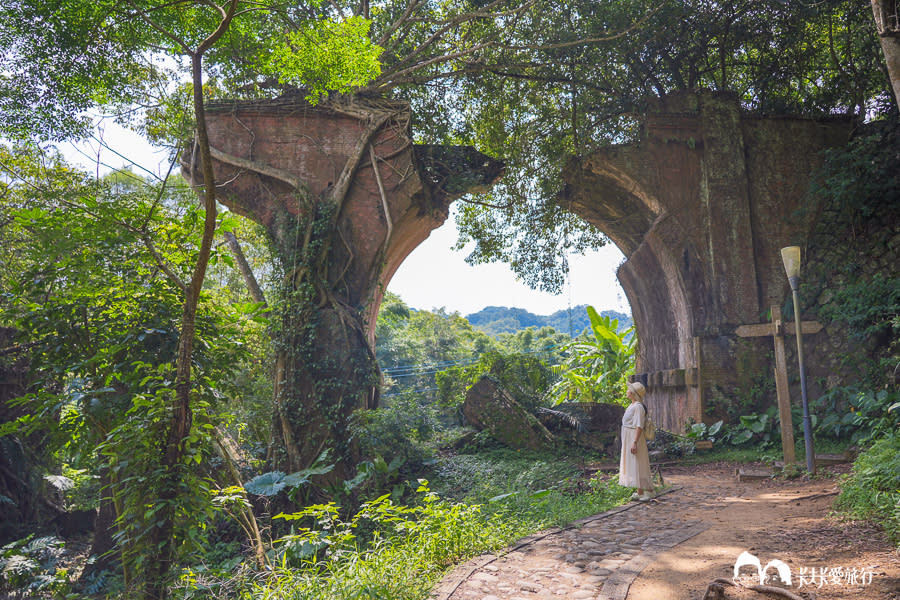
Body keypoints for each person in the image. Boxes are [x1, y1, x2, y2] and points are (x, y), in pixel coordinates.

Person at [619, 381, 653, 501]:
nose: (627, 391)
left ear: (633, 393)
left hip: (634, 437)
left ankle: (649, 490)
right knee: (634, 463)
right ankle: (640, 492)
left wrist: (635, 442)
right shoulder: (632, 405)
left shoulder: (638, 406)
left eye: (629, 390)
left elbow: (639, 425)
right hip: (629, 436)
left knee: (640, 462)